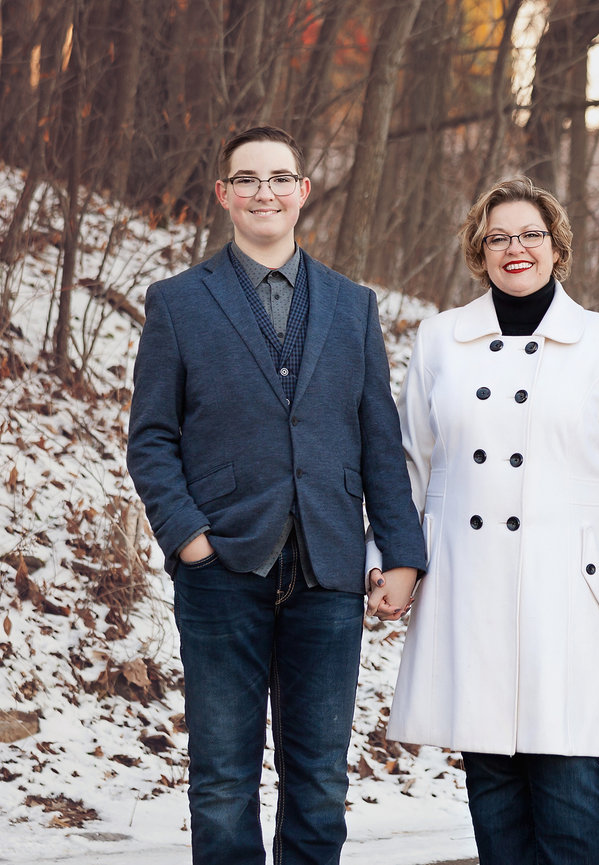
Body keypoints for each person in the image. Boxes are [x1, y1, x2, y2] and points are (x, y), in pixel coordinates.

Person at [368, 176, 599, 865]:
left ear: (557, 248)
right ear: (479, 250)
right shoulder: (440, 339)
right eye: (498, 237)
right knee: (491, 778)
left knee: (566, 777)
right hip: (467, 582)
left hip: (567, 588)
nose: (514, 248)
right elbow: (410, 461)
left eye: (530, 235)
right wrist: (392, 558)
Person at [126, 126, 425, 865]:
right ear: (224, 194)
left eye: (280, 177)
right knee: (224, 778)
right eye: (248, 179)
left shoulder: (354, 305)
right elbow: (151, 437)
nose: (266, 191)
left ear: (303, 192)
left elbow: (378, 440)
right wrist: (188, 536)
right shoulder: (179, 302)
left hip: (328, 566)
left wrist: (401, 553)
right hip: (222, 565)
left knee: (319, 779)